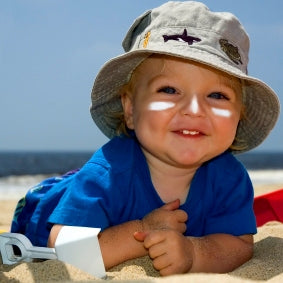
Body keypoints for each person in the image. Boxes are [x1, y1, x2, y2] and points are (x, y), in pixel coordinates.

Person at [12, 1, 280, 276]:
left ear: (238, 117)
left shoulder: (229, 178)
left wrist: (193, 253)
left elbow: (239, 245)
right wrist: (142, 231)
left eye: (217, 95)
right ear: (130, 110)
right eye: (169, 89)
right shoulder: (108, 172)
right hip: (39, 213)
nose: (194, 110)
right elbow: (64, 247)